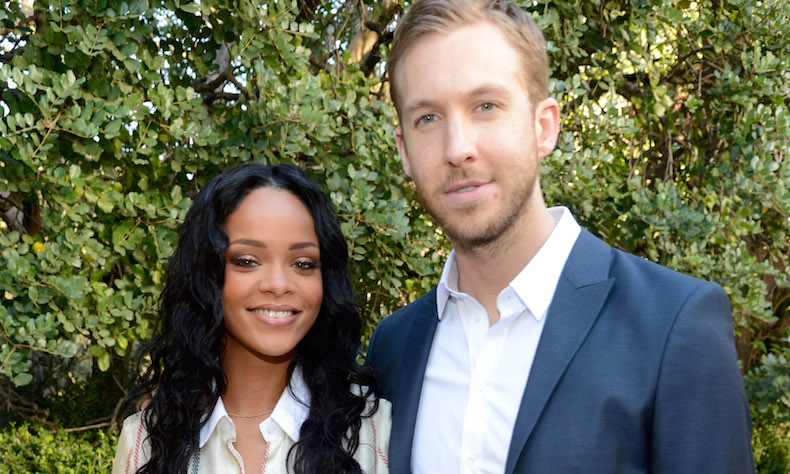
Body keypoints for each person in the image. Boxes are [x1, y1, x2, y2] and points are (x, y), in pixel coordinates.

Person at [366, 0, 754, 473]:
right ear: (404, 150)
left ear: (543, 125)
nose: (457, 148)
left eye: (486, 106)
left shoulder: (673, 326)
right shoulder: (393, 347)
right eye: (428, 117)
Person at [113, 163, 390, 474]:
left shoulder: (375, 429)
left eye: (303, 263)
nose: (278, 284)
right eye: (247, 261)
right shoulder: (146, 440)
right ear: (207, 275)